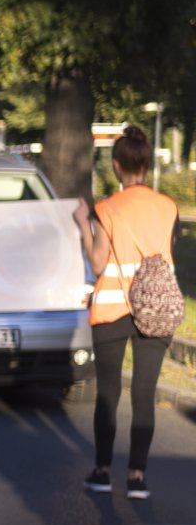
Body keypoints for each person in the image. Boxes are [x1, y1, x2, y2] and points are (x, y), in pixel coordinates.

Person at [74, 124, 181, 500]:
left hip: (112, 309)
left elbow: (100, 262)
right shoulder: (168, 207)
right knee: (144, 393)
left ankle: (103, 471)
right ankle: (138, 475)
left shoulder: (106, 209)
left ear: (117, 166)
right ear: (147, 165)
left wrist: (83, 227)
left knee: (108, 393)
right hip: (156, 308)